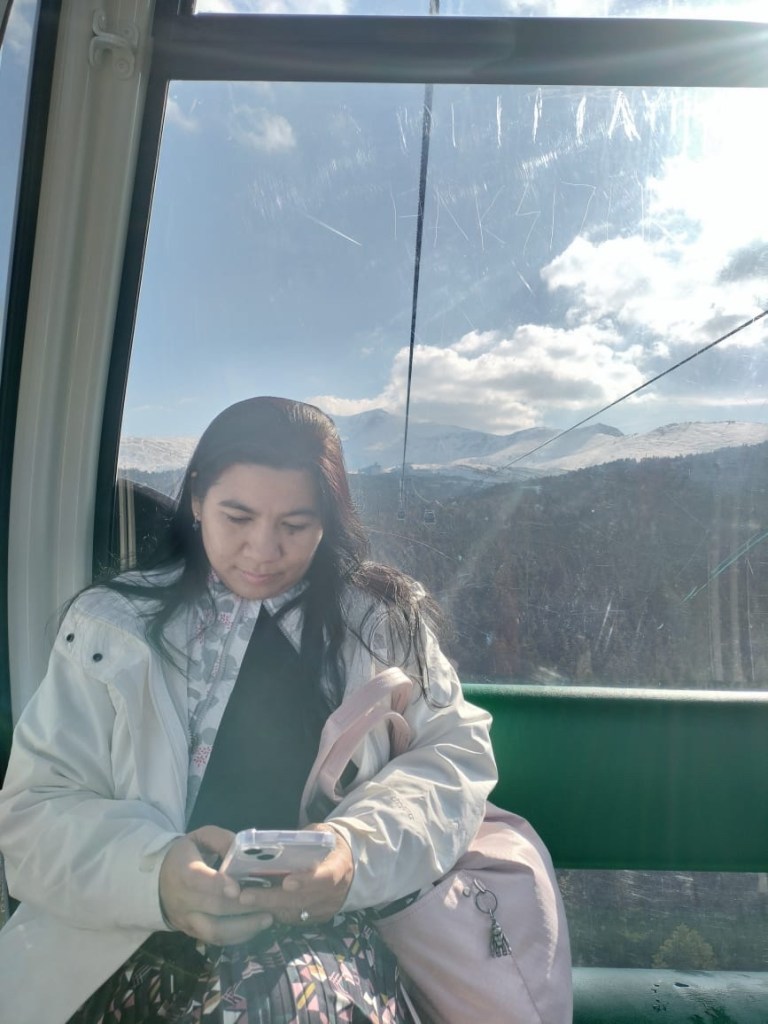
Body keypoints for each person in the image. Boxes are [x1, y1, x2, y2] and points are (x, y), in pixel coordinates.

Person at [0, 397, 497, 1024]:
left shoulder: (378, 627)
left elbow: (455, 759)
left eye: (296, 524)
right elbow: (33, 814)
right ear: (198, 498)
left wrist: (352, 855)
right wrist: (157, 877)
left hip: (333, 936)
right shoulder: (113, 627)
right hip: (128, 936)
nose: (263, 550)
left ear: (327, 522)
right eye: (237, 516)